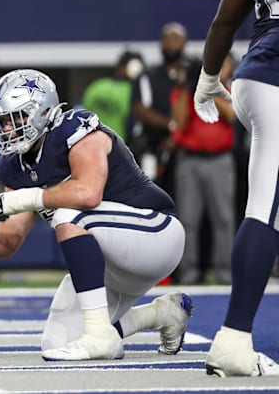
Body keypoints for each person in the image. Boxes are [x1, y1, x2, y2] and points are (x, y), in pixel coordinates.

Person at [0, 69, 192, 361]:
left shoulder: (75, 128)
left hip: (156, 233)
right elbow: (7, 242)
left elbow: (88, 194)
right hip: (110, 261)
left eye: (15, 118)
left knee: (69, 214)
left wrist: (28, 197)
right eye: (2, 121)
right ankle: (162, 314)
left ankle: (100, 336)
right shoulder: (14, 166)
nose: (7, 129)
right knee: (56, 342)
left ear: (43, 111)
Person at [193, 0, 279, 377]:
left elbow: (225, 20)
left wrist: (208, 77)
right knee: (263, 211)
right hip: (275, 79)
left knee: (268, 208)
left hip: (252, 78)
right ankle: (234, 337)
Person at [170, 58, 236, 285]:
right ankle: (189, 275)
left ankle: (225, 274)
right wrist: (187, 88)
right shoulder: (185, 93)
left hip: (220, 160)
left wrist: (207, 88)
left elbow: (231, 115)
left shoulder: (225, 88)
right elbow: (178, 123)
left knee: (224, 218)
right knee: (188, 219)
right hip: (190, 161)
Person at [131, 22, 188, 188]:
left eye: (176, 39)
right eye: (167, 39)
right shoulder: (147, 75)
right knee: (150, 192)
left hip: (185, 150)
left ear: (184, 42)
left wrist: (176, 137)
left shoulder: (190, 77)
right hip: (151, 146)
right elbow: (140, 110)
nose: (171, 44)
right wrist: (171, 125)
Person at [82, 50, 144, 141]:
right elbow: (132, 123)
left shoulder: (96, 86)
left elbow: (83, 114)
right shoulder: (134, 90)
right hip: (118, 144)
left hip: (93, 142)